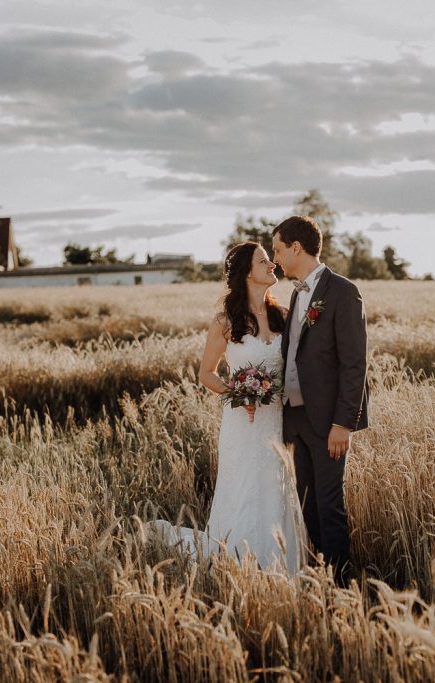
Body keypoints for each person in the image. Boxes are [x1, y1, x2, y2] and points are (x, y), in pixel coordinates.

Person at [149, 241, 304, 576]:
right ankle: (237, 561)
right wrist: (238, 390)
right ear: (246, 272)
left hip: (277, 419)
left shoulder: (285, 317)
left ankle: (281, 562)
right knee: (244, 485)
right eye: (264, 261)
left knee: (277, 484)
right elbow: (206, 373)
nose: (272, 265)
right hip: (241, 421)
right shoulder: (225, 321)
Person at [271, 216, 369, 586]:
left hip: (328, 423)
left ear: (296, 247)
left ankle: (342, 587)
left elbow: (354, 363)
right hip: (294, 419)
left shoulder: (343, 291)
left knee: (330, 507)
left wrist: (343, 423)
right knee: (306, 507)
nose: (276, 258)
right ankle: (318, 580)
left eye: (278, 249)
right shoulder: (296, 293)